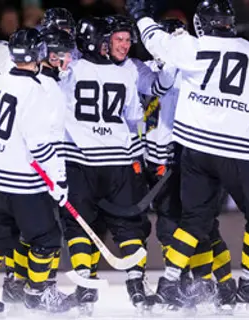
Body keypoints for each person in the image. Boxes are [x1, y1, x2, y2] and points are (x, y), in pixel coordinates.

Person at [128, 0, 249, 312]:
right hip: (235, 151)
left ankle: (168, 283)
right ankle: (248, 286)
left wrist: (140, 16)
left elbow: (154, 39)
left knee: (194, 221)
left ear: (201, 23)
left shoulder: (191, 48)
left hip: (194, 151)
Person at [58, 15, 175, 314]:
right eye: (114, 40)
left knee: (78, 226)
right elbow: (134, 118)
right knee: (130, 226)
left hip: (80, 163)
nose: (119, 45)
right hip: (119, 162)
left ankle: (85, 287)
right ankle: (137, 288)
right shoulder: (126, 73)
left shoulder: (70, 68)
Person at [0, 27, 72, 316]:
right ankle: (36, 293)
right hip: (24, 186)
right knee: (46, 239)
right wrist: (59, 180)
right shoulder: (37, 91)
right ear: (40, 55)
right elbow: (40, 144)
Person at [0, 27, 75, 305]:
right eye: (58, 55)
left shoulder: (54, 80)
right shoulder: (43, 85)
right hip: (36, 169)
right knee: (41, 232)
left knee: (35, 231)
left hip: (42, 166)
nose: (64, 60)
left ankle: (23, 283)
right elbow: (44, 138)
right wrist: (59, 177)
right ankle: (34, 287)